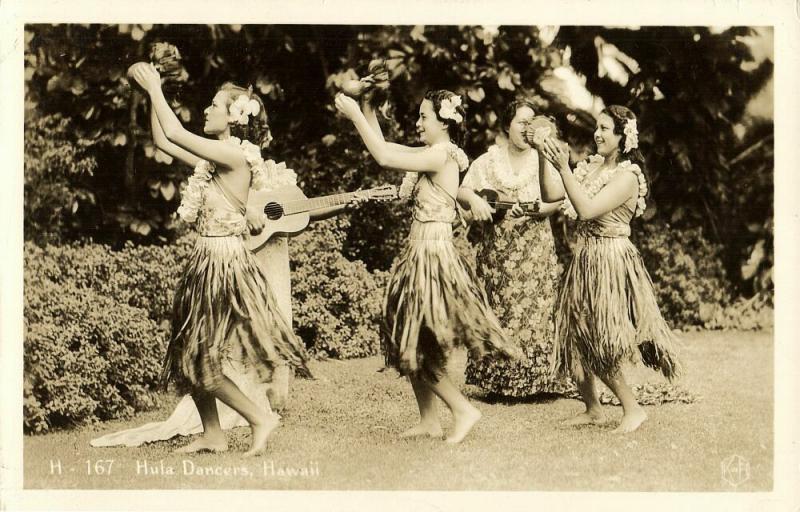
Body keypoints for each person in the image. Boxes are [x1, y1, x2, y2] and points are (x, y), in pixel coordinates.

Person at [334, 89, 521, 443]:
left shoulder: (442, 156)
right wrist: (368, 108)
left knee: (417, 340)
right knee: (410, 336)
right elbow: (387, 147)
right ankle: (429, 420)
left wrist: (356, 114)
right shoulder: (432, 154)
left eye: (424, 117)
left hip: (433, 255)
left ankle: (463, 410)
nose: (418, 123)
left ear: (445, 122)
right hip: (419, 251)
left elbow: (385, 156)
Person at [539, 105, 682, 434]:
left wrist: (563, 167)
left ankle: (632, 410)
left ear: (622, 137)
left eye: (605, 129)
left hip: (610, 259)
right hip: (585, 256)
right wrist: (543, 157)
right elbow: (552, 194)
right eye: (598, 127)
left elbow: (586, 210)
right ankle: (593, 408)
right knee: (574, 331)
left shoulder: (627, 176)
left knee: (600, 336)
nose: (597, 133)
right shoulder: (592, 166)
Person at [457, 99, 572, 397]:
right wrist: (477, 201)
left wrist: (537, 211)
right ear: (507, 126)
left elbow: (558, 199)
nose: (527, 128)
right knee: (499, 310)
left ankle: (539, 383)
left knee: (537, 311)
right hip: (498, 249)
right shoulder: (490, 160)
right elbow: (464, 189)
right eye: (521, 122)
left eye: (532, 122)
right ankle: (498, 383)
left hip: (535, 248)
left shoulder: (543, 158)